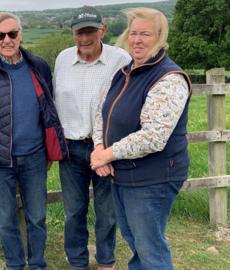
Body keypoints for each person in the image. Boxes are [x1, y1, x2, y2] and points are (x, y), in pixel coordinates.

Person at [91, 7, 192, 270]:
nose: (137, 40)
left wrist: (108, 154)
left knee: (150, 249)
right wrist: (98, 147)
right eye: (133, 33)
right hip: (124, 174)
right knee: (136, 241)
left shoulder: (169, 78)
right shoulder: (125, 72)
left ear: (160, 37)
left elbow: (154, 136)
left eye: (145, 34)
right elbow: (103, 112)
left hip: (152, 178)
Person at [0, 12, 68, 270]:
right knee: (5, 220)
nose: (7, 40)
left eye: (12, 33)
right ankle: (14, 264)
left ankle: (37, 264)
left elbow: (49, 109)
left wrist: (49, 150)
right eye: (1, 35)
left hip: (35, 157)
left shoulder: (39, 66)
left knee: (37, 218)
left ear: (21, 34)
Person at [53, 6, 130, 270]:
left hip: (105, 149)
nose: (84, 38)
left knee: (107, 212)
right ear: (72, 32)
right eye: (79, 32)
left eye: (90, 31)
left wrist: (110, 149)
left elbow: (126, 102)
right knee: (74, 211)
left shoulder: (120, 59)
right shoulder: (62, 59)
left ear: (103, 30)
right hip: (71, 148)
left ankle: (106, 262)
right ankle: (77, 262)